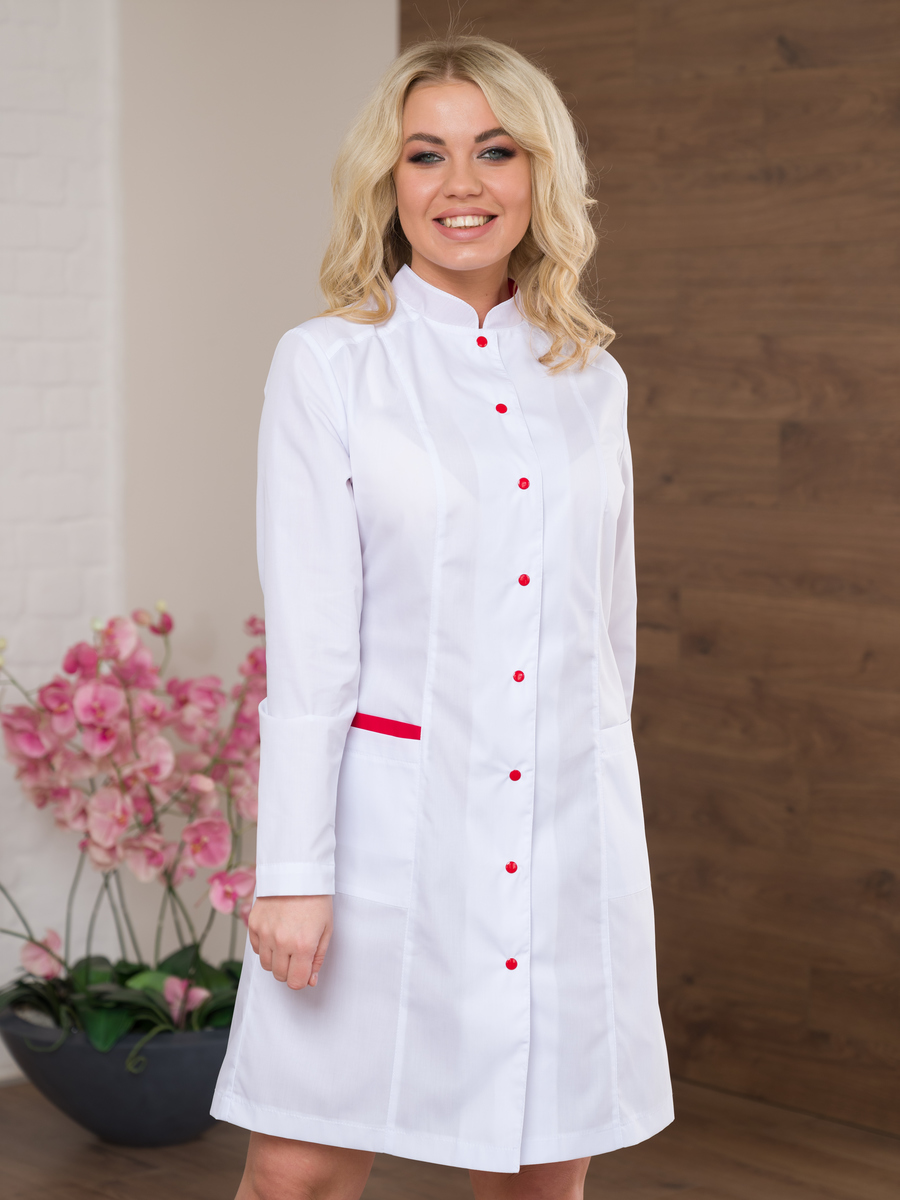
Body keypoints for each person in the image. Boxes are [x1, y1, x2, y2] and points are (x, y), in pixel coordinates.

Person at [211, 34, 674, 1200]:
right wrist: (294, 873)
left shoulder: (590, 379)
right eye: (427, 155)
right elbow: (313, 650)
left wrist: (604, 837)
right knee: (299, 1174)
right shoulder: (330, 367)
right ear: (390, 181)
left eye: (494, 151)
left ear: (539, 175)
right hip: (388, 840)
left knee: (537, 1177)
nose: (461, 184)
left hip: (562, 841)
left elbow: (604, 639)